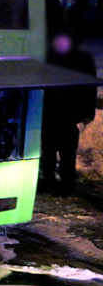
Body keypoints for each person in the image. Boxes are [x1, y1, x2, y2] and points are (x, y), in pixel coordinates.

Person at [40, 30, 98, 196]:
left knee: (66, 153)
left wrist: (87, 114)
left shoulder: (81, 59)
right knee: (50, 151)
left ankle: (65, 185)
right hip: (51, 113)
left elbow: (89, 88)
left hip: (68, 114)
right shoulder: (50, 58)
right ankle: (51, 182)